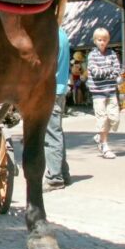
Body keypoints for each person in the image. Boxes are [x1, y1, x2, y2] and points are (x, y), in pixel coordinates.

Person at [44, 14, 72, 191]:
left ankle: (55, 178)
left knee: (51, 134)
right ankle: (63, 172)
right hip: (60, 88)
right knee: (57, 131)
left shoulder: (49, 36)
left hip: (50, 90)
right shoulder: (61, 33)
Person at [87, 27, 122, 159]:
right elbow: (95, 72)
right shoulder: (92, 55)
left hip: (111, 90)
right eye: (100, 40)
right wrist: (109, 70)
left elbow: (117, 70)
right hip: (98, 92)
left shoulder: (112, 54)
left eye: (105, 40)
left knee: (115, 119)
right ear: (95, 41)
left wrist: (108, 71)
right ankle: (104, 144)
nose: (102, 42)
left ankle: (99, 136)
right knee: (102, 118)